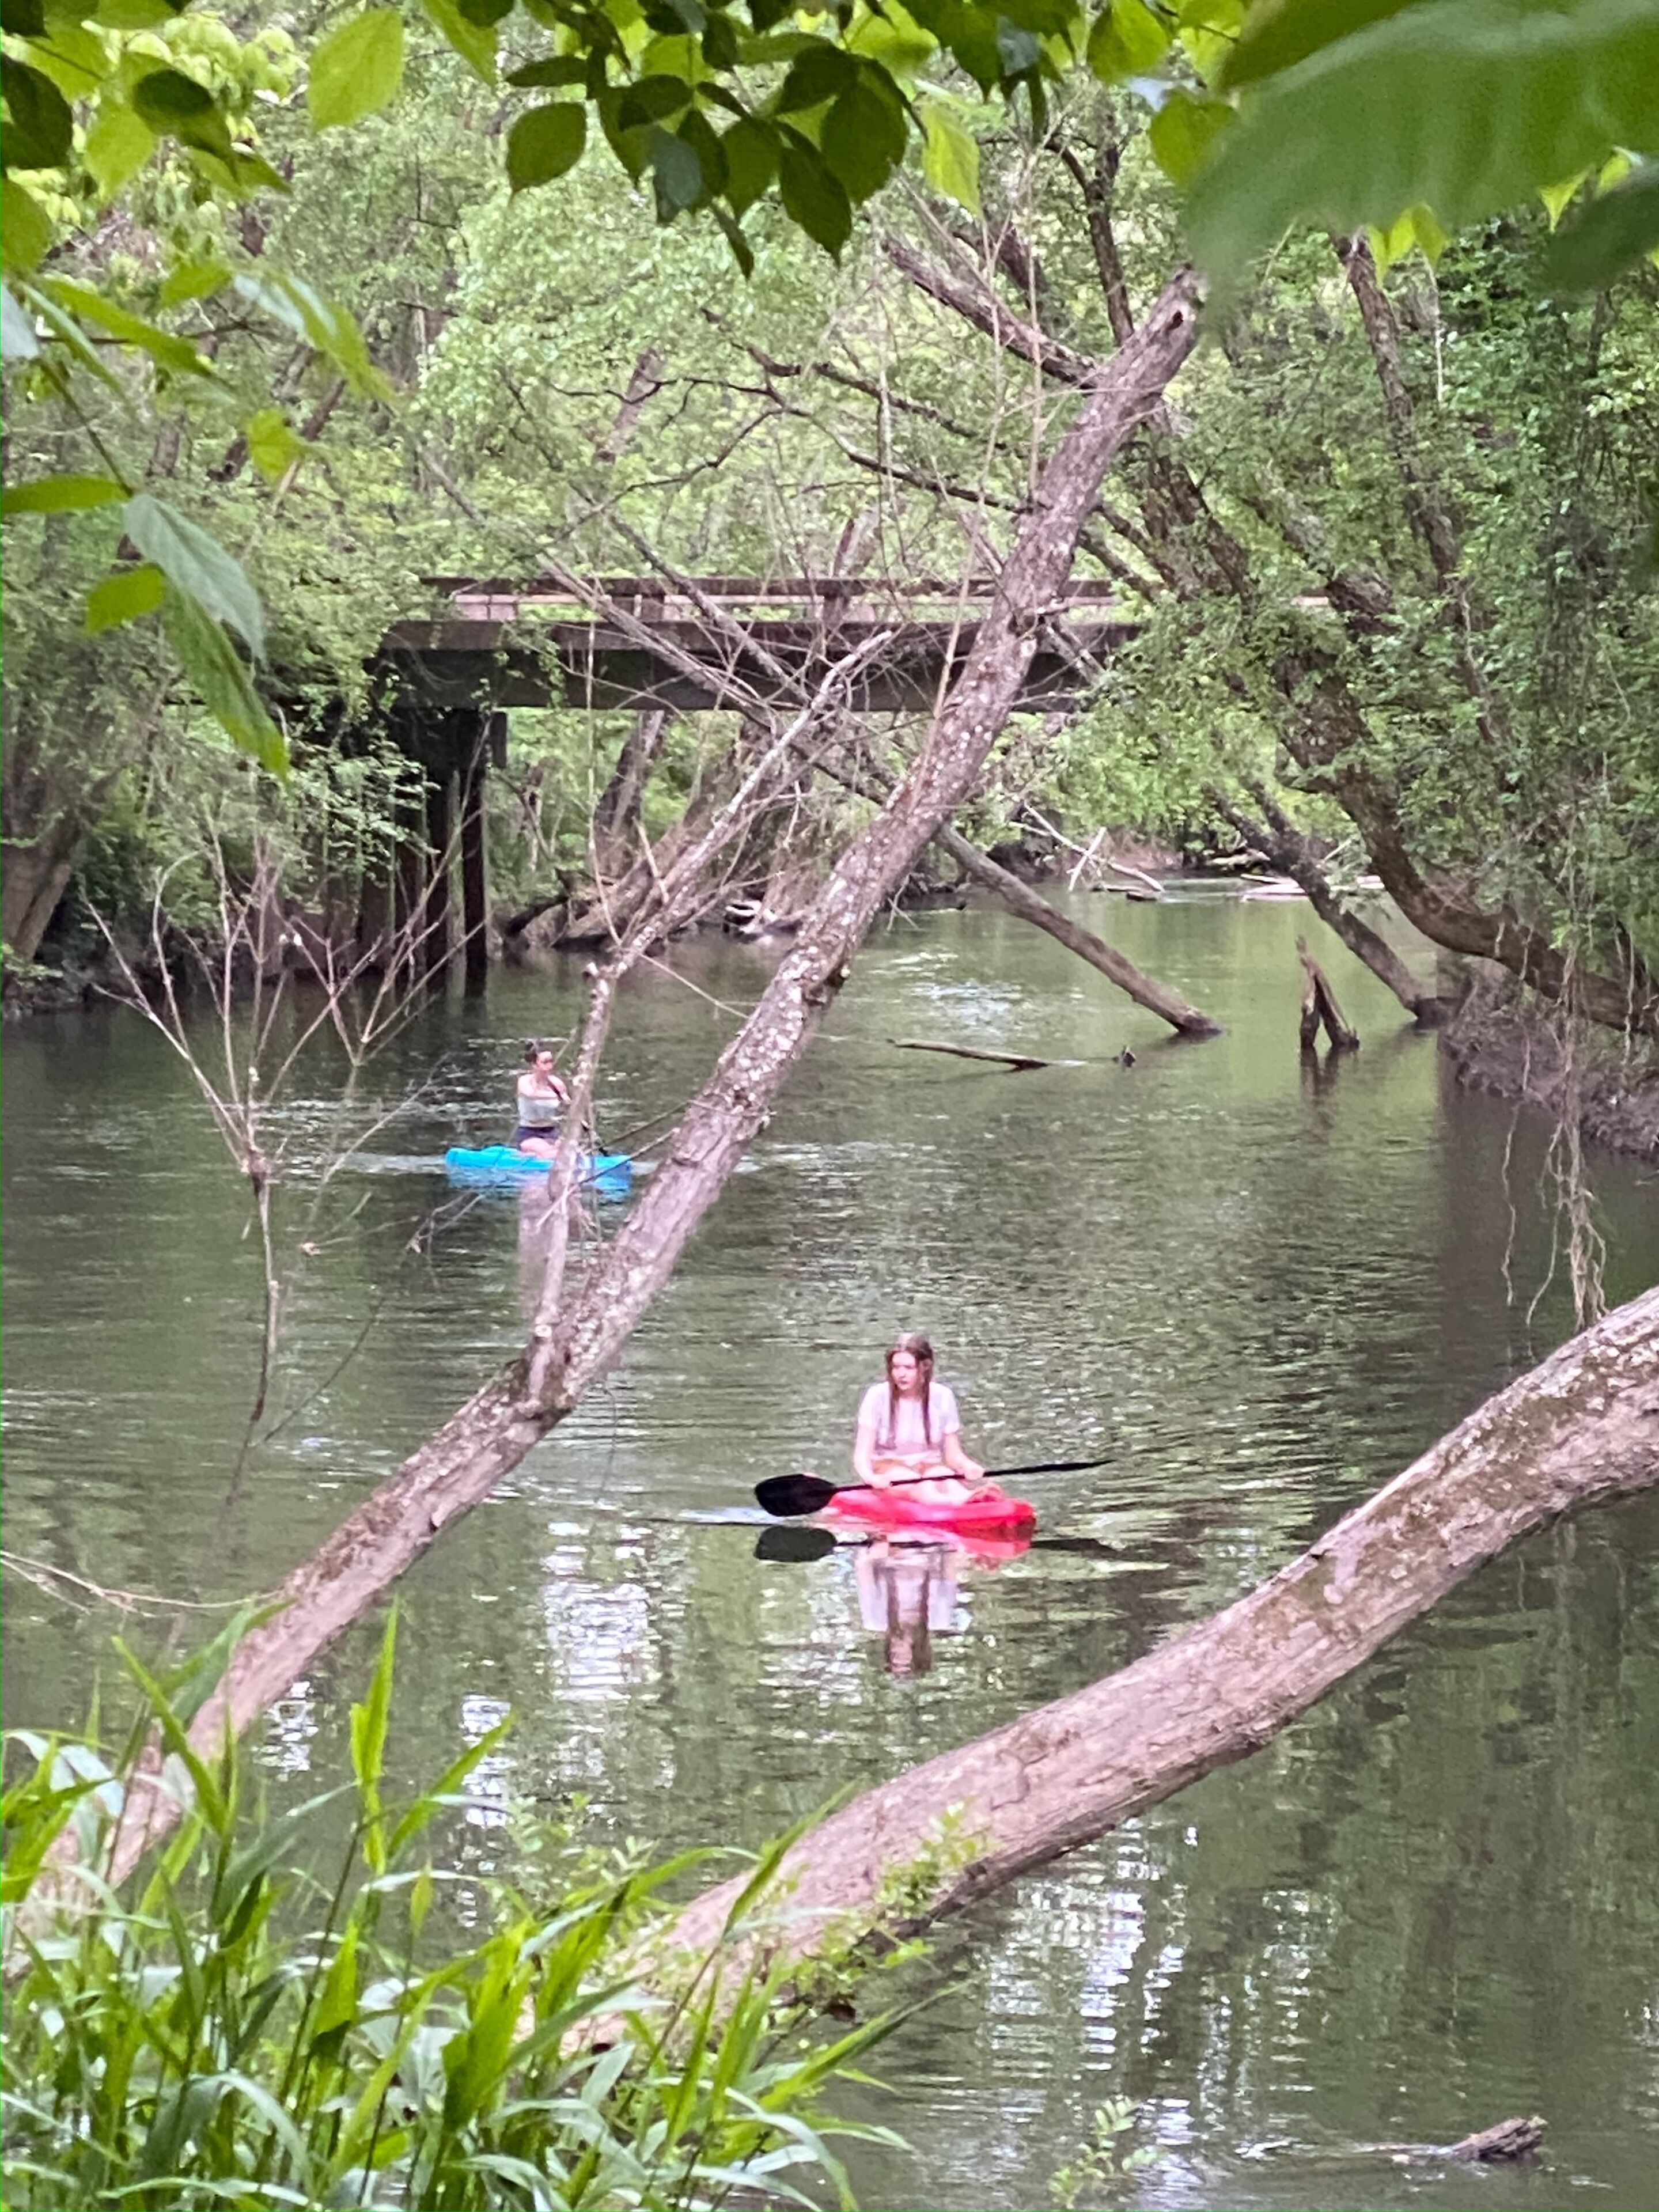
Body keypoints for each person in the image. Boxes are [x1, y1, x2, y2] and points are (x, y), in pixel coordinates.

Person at [853, 1332, 985, 1508]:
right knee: (913, 1482)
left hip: (930, 1465)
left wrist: (967, 1466)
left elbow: (953, 1455)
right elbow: (862, 1455)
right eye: (896, 1367)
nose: (901, 1374)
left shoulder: (943, 1396)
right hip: (889, 1468)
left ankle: (968, 1498)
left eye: (908, 1368)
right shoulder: (877, 1396)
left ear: (925, 1367)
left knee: (944, 1475)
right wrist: (871, 1479)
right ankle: (956, 1505)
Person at [512, 1041, 570, 1157]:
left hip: (552, 1132)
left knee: (573, 1152)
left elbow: (566, 1108)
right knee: (552, 1154)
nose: (550, 1066)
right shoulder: (524, 1081)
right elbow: (531, 1094)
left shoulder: (557, 1084)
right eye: (545, 1062)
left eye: (551, 1061)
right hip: (529, 1133)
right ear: (534, 1065)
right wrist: (557, 1096)